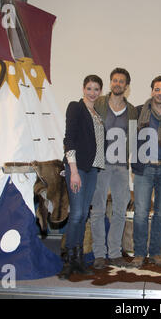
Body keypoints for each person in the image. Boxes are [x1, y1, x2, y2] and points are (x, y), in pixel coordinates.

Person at [58, 75, 105, 280]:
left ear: (100, 92)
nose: (92, 92)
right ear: (83, 88)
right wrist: (73, 170)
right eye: (89, 88)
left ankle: (78, 259)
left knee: (84, 214)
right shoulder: (76, 107)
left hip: (93, 169)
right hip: (77, 168)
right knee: (76, 214)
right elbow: (69, 138)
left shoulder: (97, 113)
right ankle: (68, 260)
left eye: (96, 89)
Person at [90, 68, 138, 269]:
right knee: (98, 210)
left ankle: (115, 252)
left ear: (126, 86)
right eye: (115, 80)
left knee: (120, 210)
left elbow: (134, 140)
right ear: (111, 83)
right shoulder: (98, 103)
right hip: (100, 165)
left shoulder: (132, 110)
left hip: (120, 167)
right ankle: (100, 254)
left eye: (122, 81)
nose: (118, 83)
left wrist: (133, 165)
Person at [130, 76, 161, 268]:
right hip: (145, 168)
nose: (160, 93)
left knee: (160, 213)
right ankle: (140, 253)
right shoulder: (139, 112)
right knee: (140, 212)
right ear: (151, 91)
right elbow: (129, 137)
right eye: (157, 89)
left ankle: (156, 253)